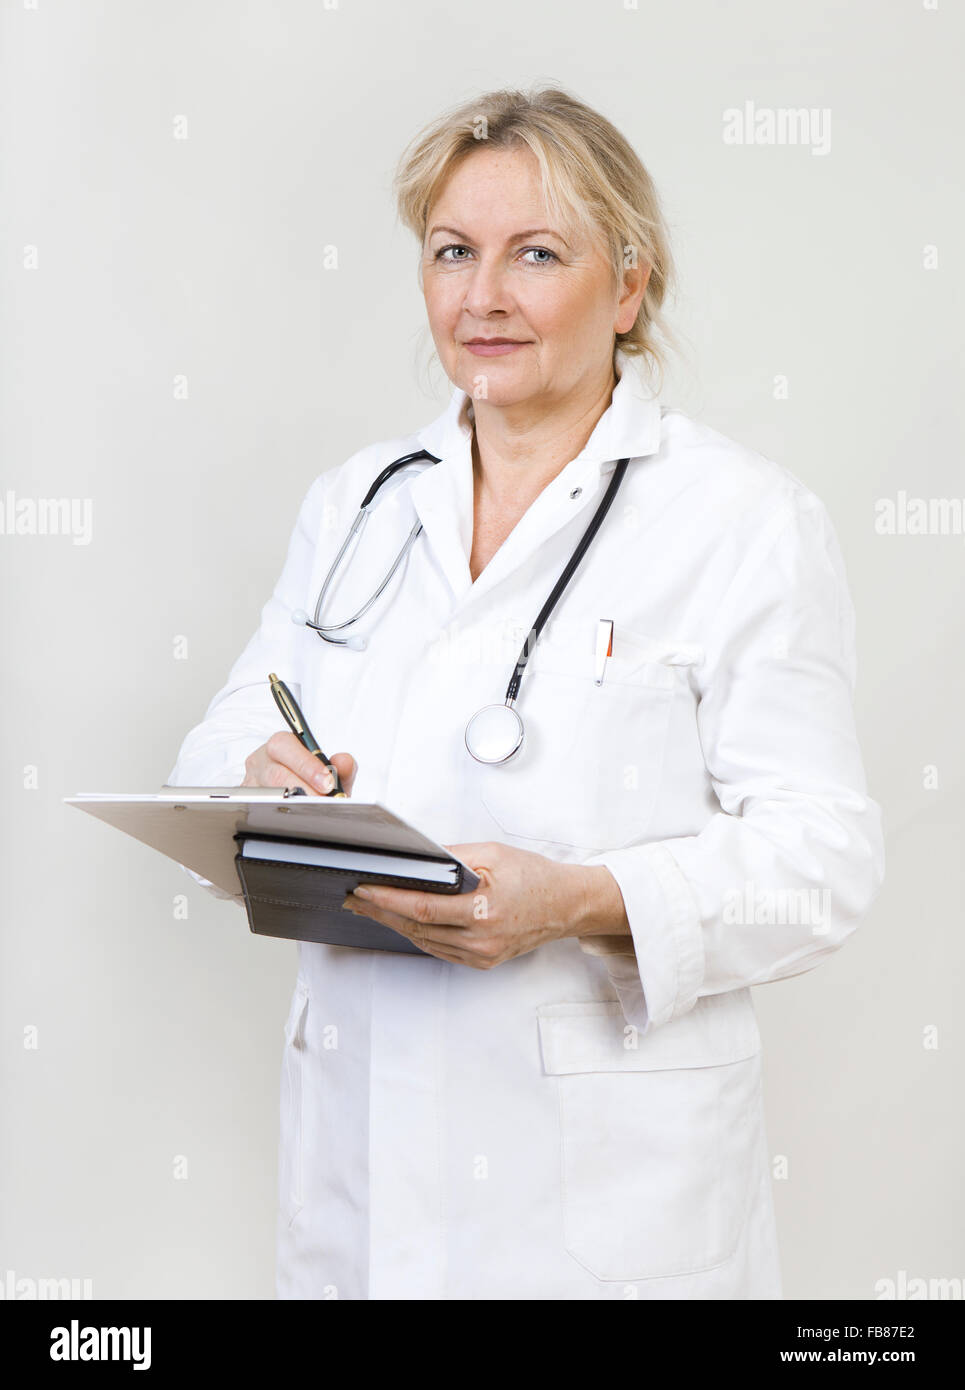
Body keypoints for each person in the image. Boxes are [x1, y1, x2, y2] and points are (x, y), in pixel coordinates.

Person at [169, 85, 885, 1300]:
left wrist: (579, 898)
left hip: (607, 1206)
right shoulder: (358, 502)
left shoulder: (742, 523)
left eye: (534, 254)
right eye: (452, 252)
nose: (480, 297)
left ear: (626, 286)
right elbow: (224, 740)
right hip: (362, 1163)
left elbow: (822, 862)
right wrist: (255, 774)